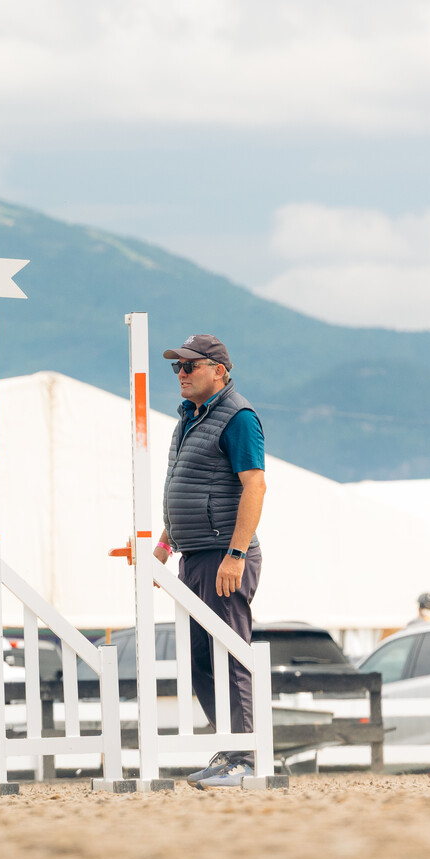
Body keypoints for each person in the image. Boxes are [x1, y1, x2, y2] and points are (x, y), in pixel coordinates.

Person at [150, 334, 267, 789]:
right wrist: (165, 545)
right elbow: (189, 488)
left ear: (219, 370)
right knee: (200, 658)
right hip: (194, 555)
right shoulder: (188, 419)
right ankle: (231, 748)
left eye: (190, 366)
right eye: (177, 367)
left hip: (223, 555)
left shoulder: (238, 417)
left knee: (230, 654)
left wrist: (236, 554)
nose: (181, 374)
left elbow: (254, 487)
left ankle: (247, 755)